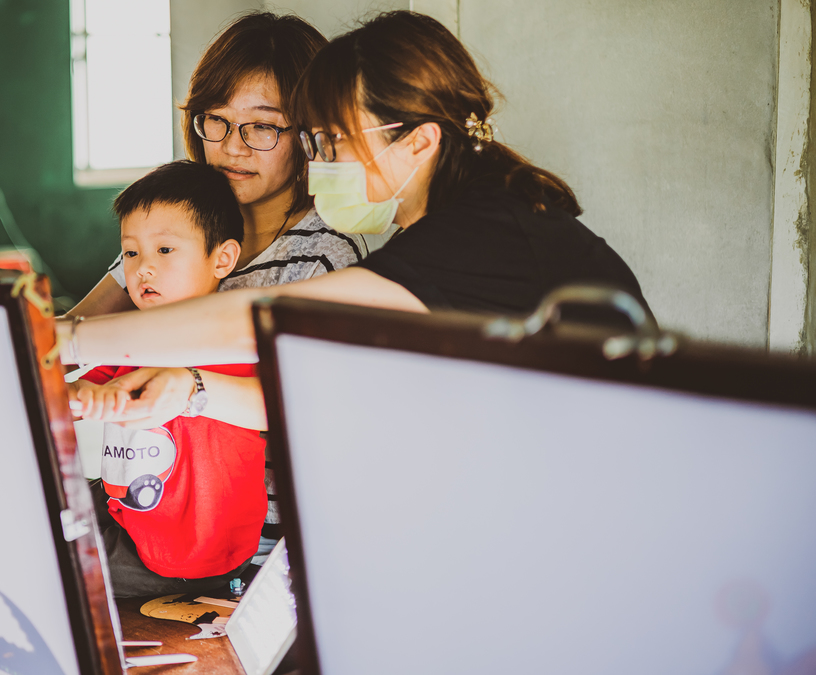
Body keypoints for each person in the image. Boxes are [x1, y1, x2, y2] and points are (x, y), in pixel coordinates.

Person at [56, 11, 648, 427]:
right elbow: (332, 394)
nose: (320, 162)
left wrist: (68, 337)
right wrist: (193, 390)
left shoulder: (482, 232)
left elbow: (268, 318)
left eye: (333, 140)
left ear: (418, 143)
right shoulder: (453, 226)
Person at [67, 12, 381, 319]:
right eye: (217, 120)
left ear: (309, 133)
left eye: (261, 126)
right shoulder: (174, 221)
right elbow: (72, 328)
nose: (232, 147)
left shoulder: (325, 256)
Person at [70, 160, 267, 597]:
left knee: (55, 566)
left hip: (187, 556)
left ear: (223, 259)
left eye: (164, 251)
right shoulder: (138, 334)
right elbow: (84, 381)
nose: (143, 269)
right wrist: (75, 395)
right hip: (129, 514)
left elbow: (271, 402)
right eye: (132, 253)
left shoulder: (231, 341)